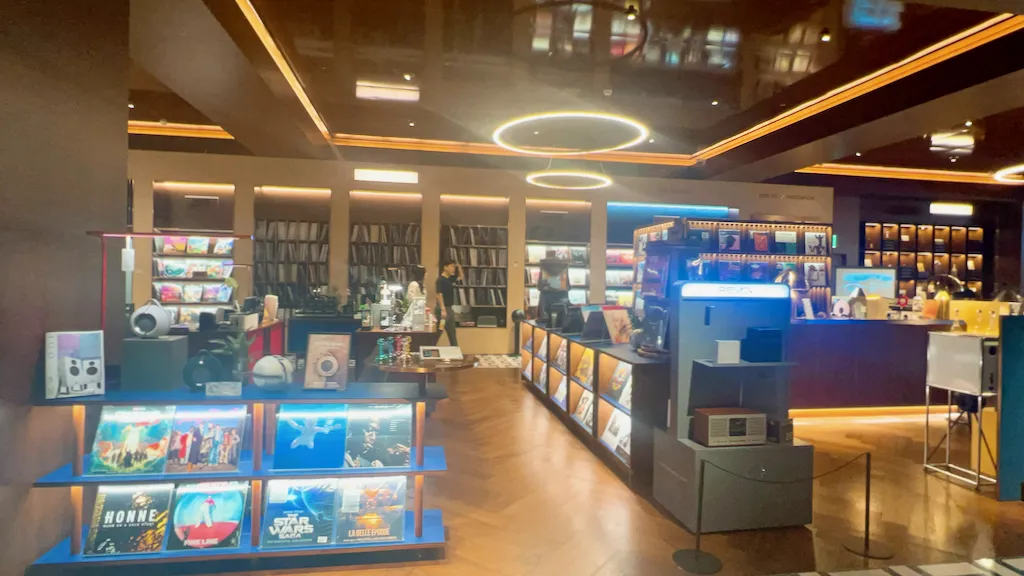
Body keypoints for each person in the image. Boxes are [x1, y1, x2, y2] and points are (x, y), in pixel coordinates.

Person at [435, 258, 461, 346]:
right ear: (445, 267)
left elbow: (461, 277)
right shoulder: (440, 280)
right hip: (443, 309)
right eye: (451, 266)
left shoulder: (450, 279)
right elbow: (439, 294)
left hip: (449, 309)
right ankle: (429, 349)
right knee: (439, 331)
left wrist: (459, 267)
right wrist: (443, 309)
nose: (453, 268)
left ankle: (455, 350)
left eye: (454, 267)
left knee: (452, 333)